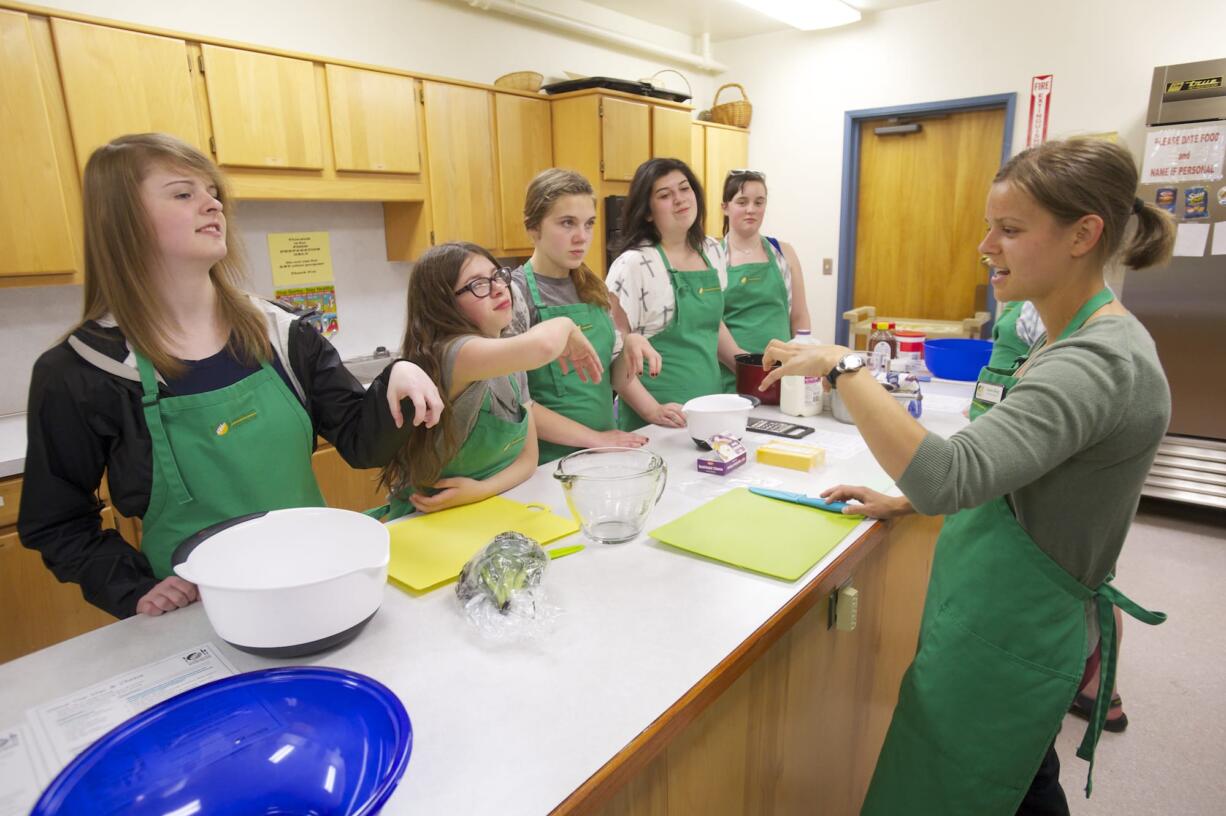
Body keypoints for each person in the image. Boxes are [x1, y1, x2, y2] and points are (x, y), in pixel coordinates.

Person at [760, 137, 1174, 813]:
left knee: (990, 785)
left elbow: (949, 476)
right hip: (996, 618)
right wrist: (903, 502)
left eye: (1009, 230)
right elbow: (1021, 480)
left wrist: (843, 365)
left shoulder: (1097, 362)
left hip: (1014, 634)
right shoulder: (1069, 339)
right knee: (1020, 777)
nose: (986, 246)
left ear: (1084, 235)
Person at [18, 133, 442, 620]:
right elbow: (56, 521)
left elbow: (360, 443)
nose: (212, 204)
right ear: (122, 221)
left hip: (313, 581)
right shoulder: (84, 369)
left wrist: (399, 376)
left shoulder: (280, 334)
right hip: (199, 615)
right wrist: (132, 588)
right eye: (183, 193)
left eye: (213, 191)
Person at [379, 242, 603, 517]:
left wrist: (478, 490)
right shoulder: (452, 354)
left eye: (497, 275)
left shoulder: (510, 356)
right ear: (443, 304)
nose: (499, 287)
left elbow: (528, 459)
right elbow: (543, 347)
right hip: (423, 521)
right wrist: (567, 325)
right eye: (477, 285)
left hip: (484, 506)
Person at [507, 168, 659, 463]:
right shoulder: (516, 296)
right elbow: (516, 405)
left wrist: (628, 348)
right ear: (533, 228)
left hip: (604, 455)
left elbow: (610, 377)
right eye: (567, 223)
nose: (582, 237)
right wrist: (596, 440)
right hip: (546, 466)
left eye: (588, 224)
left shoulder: (592, 287)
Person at [605, 158, 739, 431]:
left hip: (708, 410)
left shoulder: (712, 251)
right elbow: (614, 352)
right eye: (665, 195)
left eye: (684, 189)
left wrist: (747, 365)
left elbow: (711, 326)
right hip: (656, 422)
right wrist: (652, 410)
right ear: (647, 212)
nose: (680, 200)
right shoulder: (633, 265)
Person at [718, 169, 811, 392]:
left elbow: (799, 316)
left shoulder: (783, 253)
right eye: (742, 201)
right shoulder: (712, 258)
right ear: (725, 207)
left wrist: (798, 360)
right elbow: (712, 326)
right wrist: (750, 369)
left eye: (759, 202)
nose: (751, 209)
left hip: (784, 375)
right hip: (733, 378)